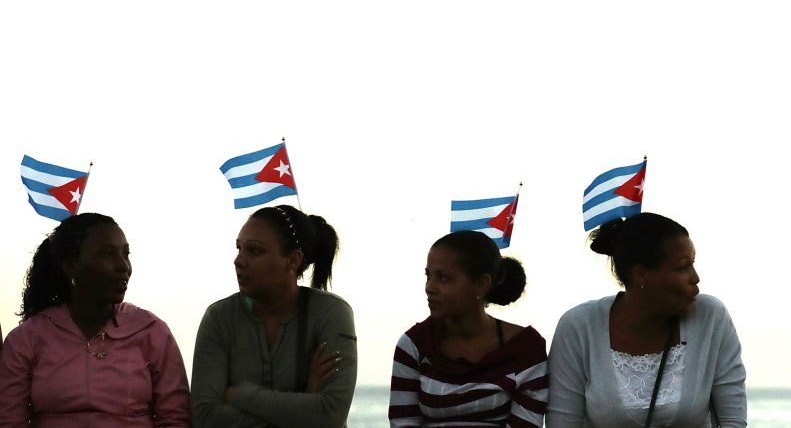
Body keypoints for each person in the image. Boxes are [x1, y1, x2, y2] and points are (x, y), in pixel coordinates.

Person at [547, 213, 747, 428]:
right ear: (641, 275)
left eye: (693, 264)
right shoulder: (579, 327)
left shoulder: (710, 317)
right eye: (682, 267)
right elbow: (562, 422)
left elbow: (732, 421)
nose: (695, 277)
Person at [0, 212, 191, 427]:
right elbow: (9, 420)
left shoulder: (153, 332)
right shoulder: (27, 339)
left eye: (126, 254)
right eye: (107, 254)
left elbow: (175, 419)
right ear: (70, 266)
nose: (123, 266)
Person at [192, 204, 356, 428]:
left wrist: (241, 395)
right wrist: (305, 407)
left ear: (292, 261)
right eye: (239, 248)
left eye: (255, 251)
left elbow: (331, 414)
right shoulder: (219, 318)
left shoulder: (330, 314)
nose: (238, 261)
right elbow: (205, 418)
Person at [388, 230, 548, 427]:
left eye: (444, 278)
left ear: (481, 285)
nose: (430, 287)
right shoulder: (414, 344)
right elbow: (403, 422)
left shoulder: (526, 349)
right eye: (428, 276)